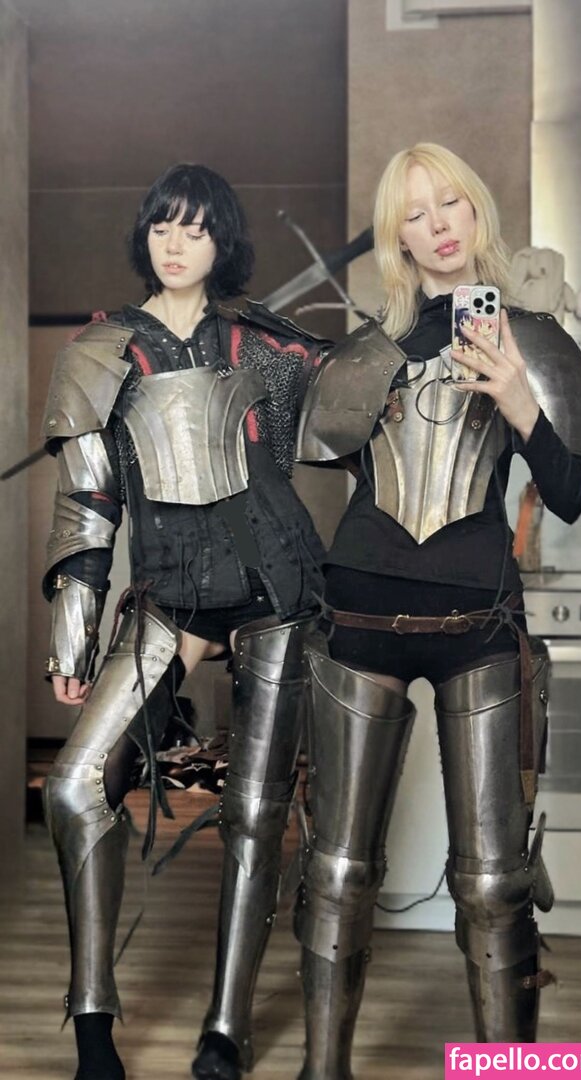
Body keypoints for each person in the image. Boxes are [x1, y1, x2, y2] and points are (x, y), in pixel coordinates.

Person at [294, 143, 581, 1078]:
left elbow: (569, 496)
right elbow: (336, 474)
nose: (436, 225)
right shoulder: (365, 352)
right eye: (414, 213)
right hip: (359, 620)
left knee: (495, 884)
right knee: (338, 870)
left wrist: (517, 400)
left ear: (475, 212)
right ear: (397, 237)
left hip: (479, 627)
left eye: (450, 203)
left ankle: (503, 1068)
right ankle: (321, 1069)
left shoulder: (531, 341)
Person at [41, 162, 329, 1080]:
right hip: (169, 595)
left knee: (255, 814)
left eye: (196, 229)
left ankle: (225, 1031)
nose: (175, 243)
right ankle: (93, 1024)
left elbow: (355, 420)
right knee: (74, 786)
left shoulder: (268, 346)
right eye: (163, 225)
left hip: (277, 590)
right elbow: (87, 505)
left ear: (221, 243)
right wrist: (73, 637)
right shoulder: (100, 351)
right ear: (145, 235)